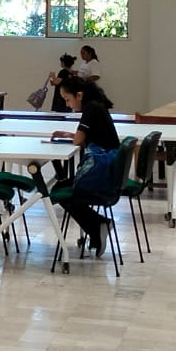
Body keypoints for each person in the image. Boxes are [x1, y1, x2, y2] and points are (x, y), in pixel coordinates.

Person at [51, 74, 121, 255]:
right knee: (62, 187)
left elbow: (79, 140)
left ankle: (99, 225)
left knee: (60, 191)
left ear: (79, 95)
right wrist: (70, 135)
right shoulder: (96, 106)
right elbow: (83, 138)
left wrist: (73, 137)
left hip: (103, 175)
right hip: (109, 171)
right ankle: (98, 227)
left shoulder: (91, 108)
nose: (67, 104)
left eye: (68, 99)